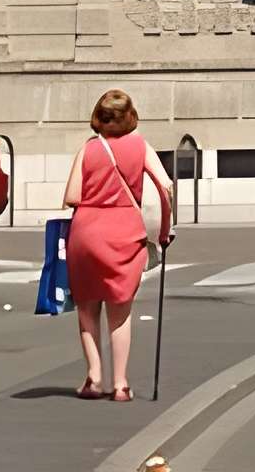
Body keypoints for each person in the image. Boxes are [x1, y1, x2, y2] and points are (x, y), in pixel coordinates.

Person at [63, 88, 172, 400]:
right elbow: (165, 187)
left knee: (86, 308)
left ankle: (94, 377)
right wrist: (163, 231)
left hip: (86, 233)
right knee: (120, 312)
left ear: (99, 117)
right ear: (130, 116)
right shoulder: (141, 146)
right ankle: (121, 383)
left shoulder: (89, 149)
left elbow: (72, 196)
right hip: (126, 233)